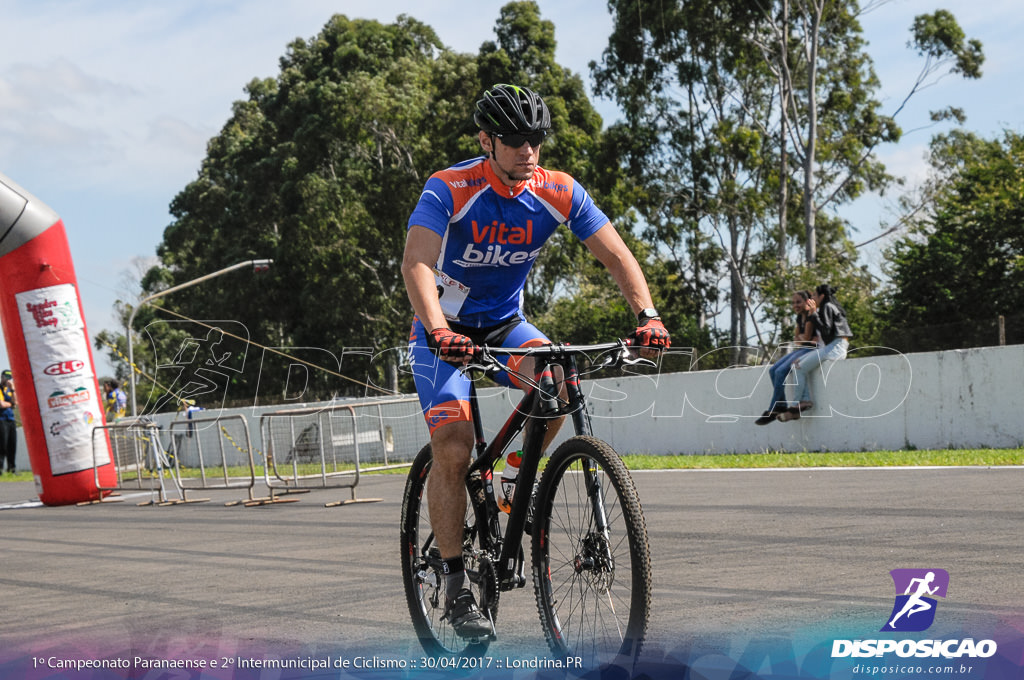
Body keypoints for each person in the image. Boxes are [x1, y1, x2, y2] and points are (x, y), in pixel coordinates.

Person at [401, 83, 670, 638]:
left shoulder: (558, 190)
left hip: (503, 325)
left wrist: (648, 315)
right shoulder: (450, 187)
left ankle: (519, 478)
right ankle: (454, 584)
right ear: (487, 140)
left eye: (537, 139)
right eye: (516, 139)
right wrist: (439, 329)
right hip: (442, 332)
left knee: (557, 380)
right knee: (453, 445)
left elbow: (616, 254)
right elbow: (417, 263)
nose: (529, 150)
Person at [777, 283, 853, 421]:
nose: (811, 298)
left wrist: (813, 315)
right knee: (796, 365)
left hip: (836, 347)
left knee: (799, 367)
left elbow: (826, 333)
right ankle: (804, 401)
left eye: (814, 296)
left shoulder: (827, 307)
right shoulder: (825, 307)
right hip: (831, 346)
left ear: (821, 296)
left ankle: (796, 405)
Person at [755, 290, 818, 425]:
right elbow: (797, 339)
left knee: (780, 371)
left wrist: (803, 339)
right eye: (793, 303)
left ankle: (773, 409)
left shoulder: (810, 315)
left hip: (812, 349)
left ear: (807, 302)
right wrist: (802, 339)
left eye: (798, 302)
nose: (795, 305)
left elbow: (805, 338)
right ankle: (781, 405)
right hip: (803, 348)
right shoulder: (799, 318)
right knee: (773, 370)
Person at [0, 369, 16, 474]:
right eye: (6, 377)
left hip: (11, 419)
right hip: (1, 420)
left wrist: (13, 390)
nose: (8, 380)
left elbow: (16, 403)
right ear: (2, 377)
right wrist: (11, 404)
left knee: (12, 445)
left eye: (10, 377)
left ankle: (12, 469)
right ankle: (0, 468)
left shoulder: (10, 389)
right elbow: (1, 405)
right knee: (2, 446)